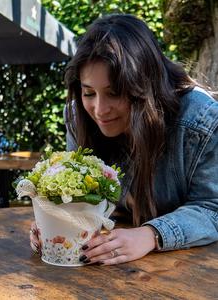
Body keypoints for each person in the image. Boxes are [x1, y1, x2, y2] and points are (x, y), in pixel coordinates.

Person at [30, 13, 218, 265]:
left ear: (144, 86)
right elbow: (80, 197)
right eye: (88, 93)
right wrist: (54, 222)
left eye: (114, 92)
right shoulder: (78, 116)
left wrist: (151, 235)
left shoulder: (199, 120)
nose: (99, 109)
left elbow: (212, 208)